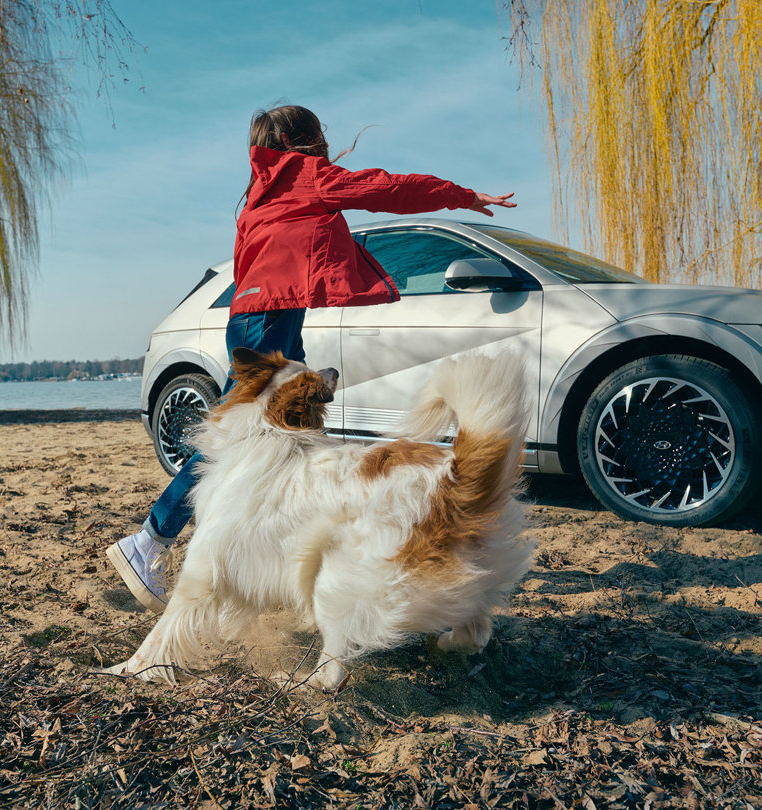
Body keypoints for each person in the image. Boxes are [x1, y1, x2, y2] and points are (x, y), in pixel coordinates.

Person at [106, 104, 516, 612]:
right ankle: (150, 539)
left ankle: (280, 546)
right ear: (305, 140)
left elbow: (246, 262)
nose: (326, 140)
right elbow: (383, 187)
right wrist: (461, 195)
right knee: (245, 438)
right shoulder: (304, 177)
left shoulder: (261, 190)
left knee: (291, 434)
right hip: (270, 318)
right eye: (320, 132)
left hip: (256, 314)